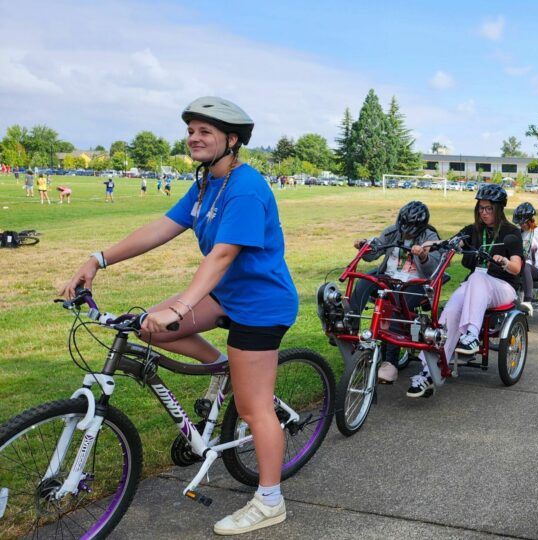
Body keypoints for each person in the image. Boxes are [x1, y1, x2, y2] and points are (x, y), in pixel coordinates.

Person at [61, 96, 298, 534]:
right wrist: (98, 258)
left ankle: (270, 500)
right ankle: (224, 368)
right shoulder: (208, 183)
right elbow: (161, 228)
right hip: (227, 295)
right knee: (148, 325)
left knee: (253, 407)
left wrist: (183, 305)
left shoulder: (246, 187)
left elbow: (224, 254)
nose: (194, 137)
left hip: (262, 305)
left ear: (231, 140)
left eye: (204, 131)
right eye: (191, 130)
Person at [407, 184, 522, 398]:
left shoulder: (511, 233)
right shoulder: (473, 231)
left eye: (489, 209)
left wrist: (505, 261)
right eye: (481, 208)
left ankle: (471, 334)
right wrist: (424, 246)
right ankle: (428, 372)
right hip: (476, 285)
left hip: (503, 287)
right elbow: (443, 242)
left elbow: (517, 267)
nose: (484, 212)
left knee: (478, 277)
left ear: (499, 209)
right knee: (449, 312)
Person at [350, 200, 440, 383]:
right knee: (364, 281)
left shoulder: (430, 236)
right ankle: (349, 326)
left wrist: (423, 255)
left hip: (415, 282)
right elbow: (374, 252)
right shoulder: (392, 231)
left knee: (395, 301)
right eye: (403, 224)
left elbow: (434, 267)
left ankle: (390, 363)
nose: (405, 230)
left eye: (410, 227)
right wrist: (364, 246)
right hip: (388, 277)